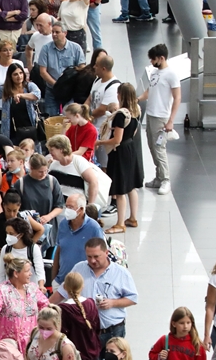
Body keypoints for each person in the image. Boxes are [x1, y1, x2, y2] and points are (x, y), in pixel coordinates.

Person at [51, 238, 137, 343]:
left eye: (96, 256)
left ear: (106, 253)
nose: (92, 260)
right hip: (86, 333)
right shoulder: (79, 268)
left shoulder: (121, 273)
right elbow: (62, 292)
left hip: (112, 331)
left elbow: (132, 298)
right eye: (89, 256)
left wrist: (113, 303)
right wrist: (44, 307)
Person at [97, 83, 143, 233]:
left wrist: (101, 142)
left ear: (120, 95)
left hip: (120, 151)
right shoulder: (136, 111)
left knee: (121, 188)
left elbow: (117, 139)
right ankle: (133, 218)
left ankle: (120, 223)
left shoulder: (121, 115)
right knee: (131, 187)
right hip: (131, 149)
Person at [138, 43, 181, 196]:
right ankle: (158, 176)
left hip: (161, 116)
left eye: (153, 59)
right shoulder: (155, 73)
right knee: (152, 146)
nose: (151, 62)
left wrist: (171, 120)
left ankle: (166, 179)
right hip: (151, 114)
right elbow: (150, 91)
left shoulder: (171, 75)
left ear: (161, 58)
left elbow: (177, 98)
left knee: (159, 148)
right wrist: (137, 99)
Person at [55, 270, 101, 360]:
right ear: (82, 286)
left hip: (73, 357)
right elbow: (97, 327)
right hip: (93, 355)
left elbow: (61, 335)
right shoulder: (90, 303)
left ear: (65, 287)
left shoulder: (63, 309)